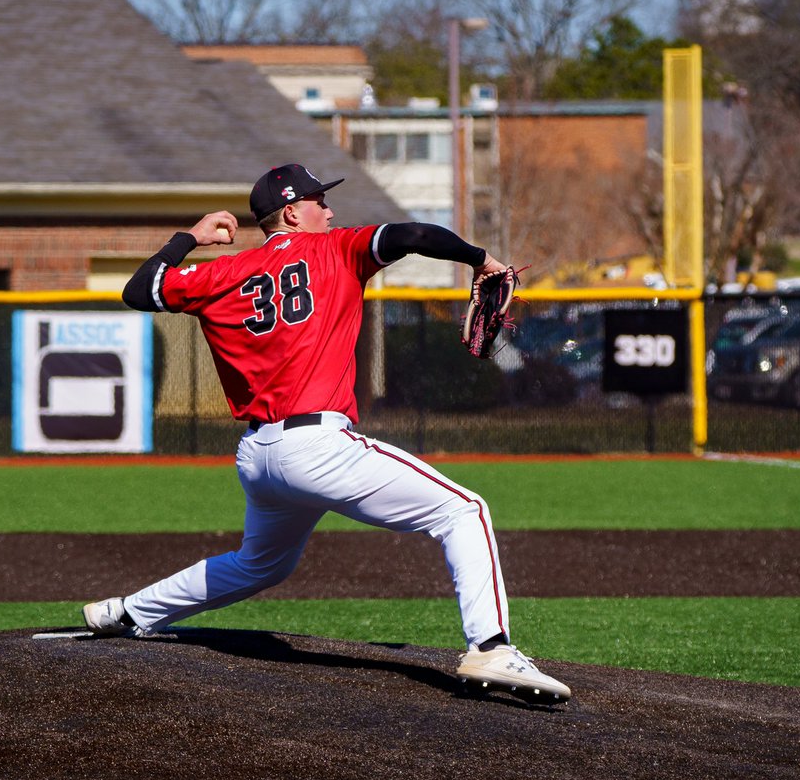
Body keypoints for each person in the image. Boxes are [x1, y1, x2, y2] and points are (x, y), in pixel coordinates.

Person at [83, 163, 570, 704]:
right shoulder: (337, 248)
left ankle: (127, 612)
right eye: (319, 201)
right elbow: (412, 235)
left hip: (258, 455)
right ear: (292, 212)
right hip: (317, 445)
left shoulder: (220, 274)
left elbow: (138, 289)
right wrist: (482, 259)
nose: (331, 211)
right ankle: (491, 646)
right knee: (464, 510)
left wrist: (190, 238)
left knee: (260, 563)